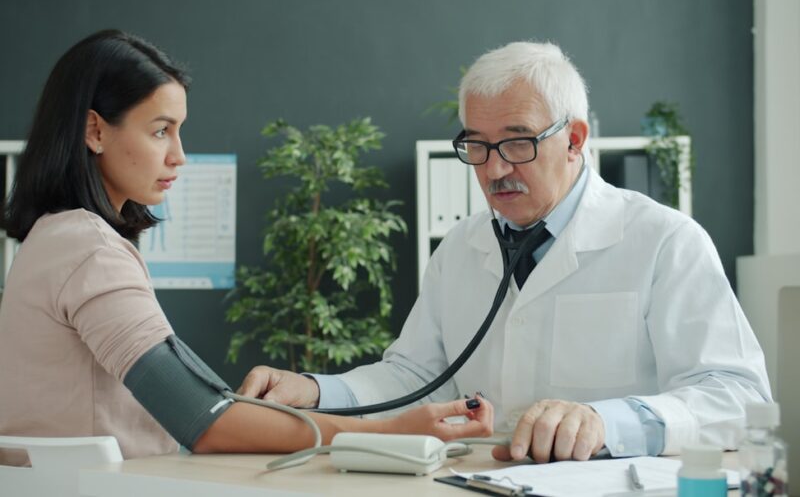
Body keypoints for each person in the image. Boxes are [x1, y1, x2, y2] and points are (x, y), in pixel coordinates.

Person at [237, 41, 772, 464]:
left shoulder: (666, 241)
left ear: (575, 139)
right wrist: (314, 390)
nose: (493, 169)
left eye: (518, 142)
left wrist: (606, 423)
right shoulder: (461, 247)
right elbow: (413, 379)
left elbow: (736, 397)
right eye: (476, 145)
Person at [0, 29, 493, 466]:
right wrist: (390, 433)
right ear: (95, 130)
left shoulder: (54, 237)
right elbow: (202, 420)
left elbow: (199, 400)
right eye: (160, 131)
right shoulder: (89, 249)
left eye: (179, 130)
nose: (179, 155)